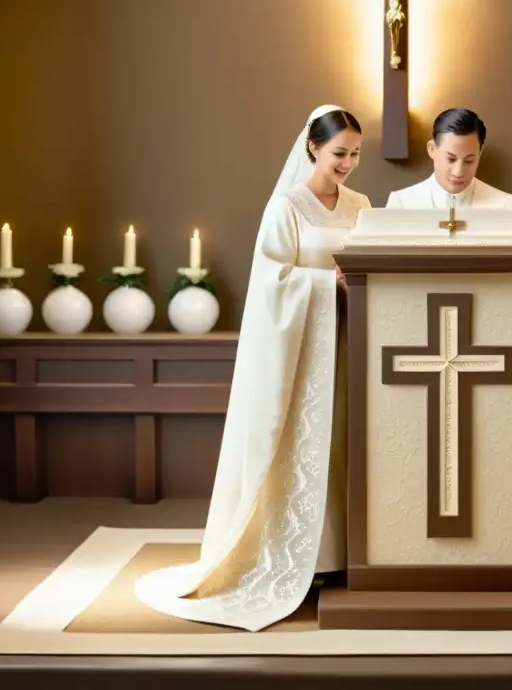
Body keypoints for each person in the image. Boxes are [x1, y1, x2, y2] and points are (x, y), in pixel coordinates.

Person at [134, 105, 371, 632]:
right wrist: (323, 284)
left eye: (355, 154)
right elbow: (270, 282)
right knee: (296, 445)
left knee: (342, 447)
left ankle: (341, 554)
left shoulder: (361, 205)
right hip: (301, 352)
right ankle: (298, 559)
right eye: (339, 153)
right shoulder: (286, 206)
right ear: (313, 147)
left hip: (347, 343)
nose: (348, 164)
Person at [385, 108, 512, 208]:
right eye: (451, 159)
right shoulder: (401, 203)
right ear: (432, 149)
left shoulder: (505, 205)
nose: (458, 172)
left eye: (469, 161)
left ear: (480, 154)